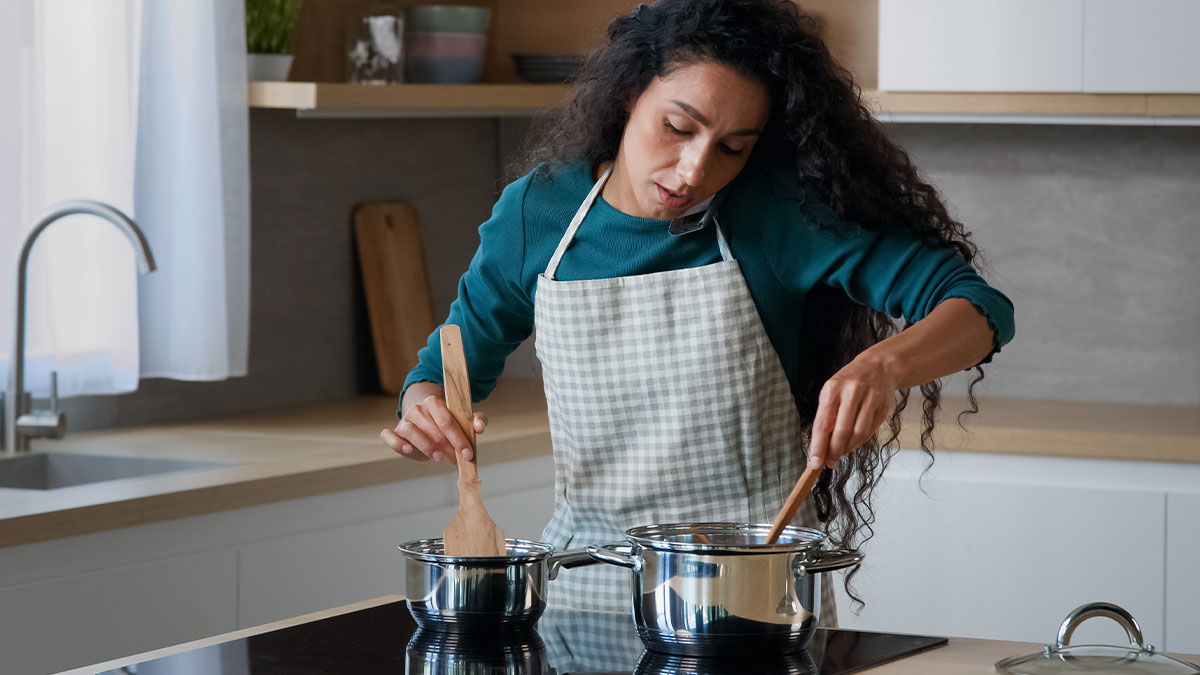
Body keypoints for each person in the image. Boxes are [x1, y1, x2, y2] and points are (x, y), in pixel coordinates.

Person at [379, 0, 1015, 621]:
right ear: (630, 94)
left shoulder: (772, 214)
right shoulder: (538, 213)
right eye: (678, 128)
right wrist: (426, 409)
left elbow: (978, 307)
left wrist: (883, 366)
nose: (694, 170)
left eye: (732, 148)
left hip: (751, 592)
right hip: (587, 583)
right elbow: (448, 367)